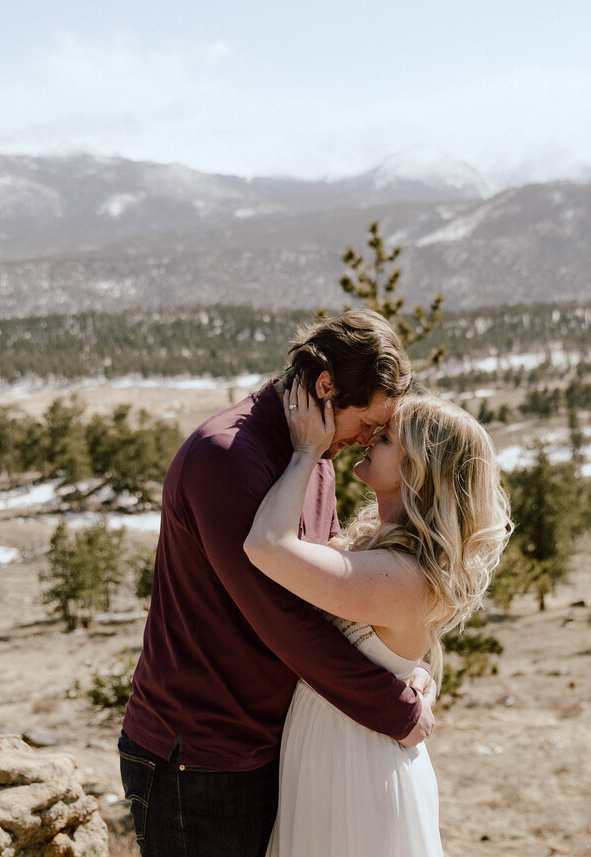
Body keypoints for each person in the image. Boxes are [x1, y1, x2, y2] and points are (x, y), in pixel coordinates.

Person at [119, 309, 437, 857]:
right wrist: (396, 707)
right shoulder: (226, 459)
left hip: (263, 743)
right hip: (198, 754)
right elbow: (282, 621)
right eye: (367, 423)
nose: (366, 441)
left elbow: (335, 598)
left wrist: (409, 667)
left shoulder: (309, 456)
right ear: (326, 386)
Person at [245, 384, 512, 857]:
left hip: (356, 772)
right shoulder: (388, 556)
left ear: (418, 471)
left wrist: (307, 451)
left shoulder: (401, 576)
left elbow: (266, 545)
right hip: (337, 754)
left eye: (386, 438)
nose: (370, 439)